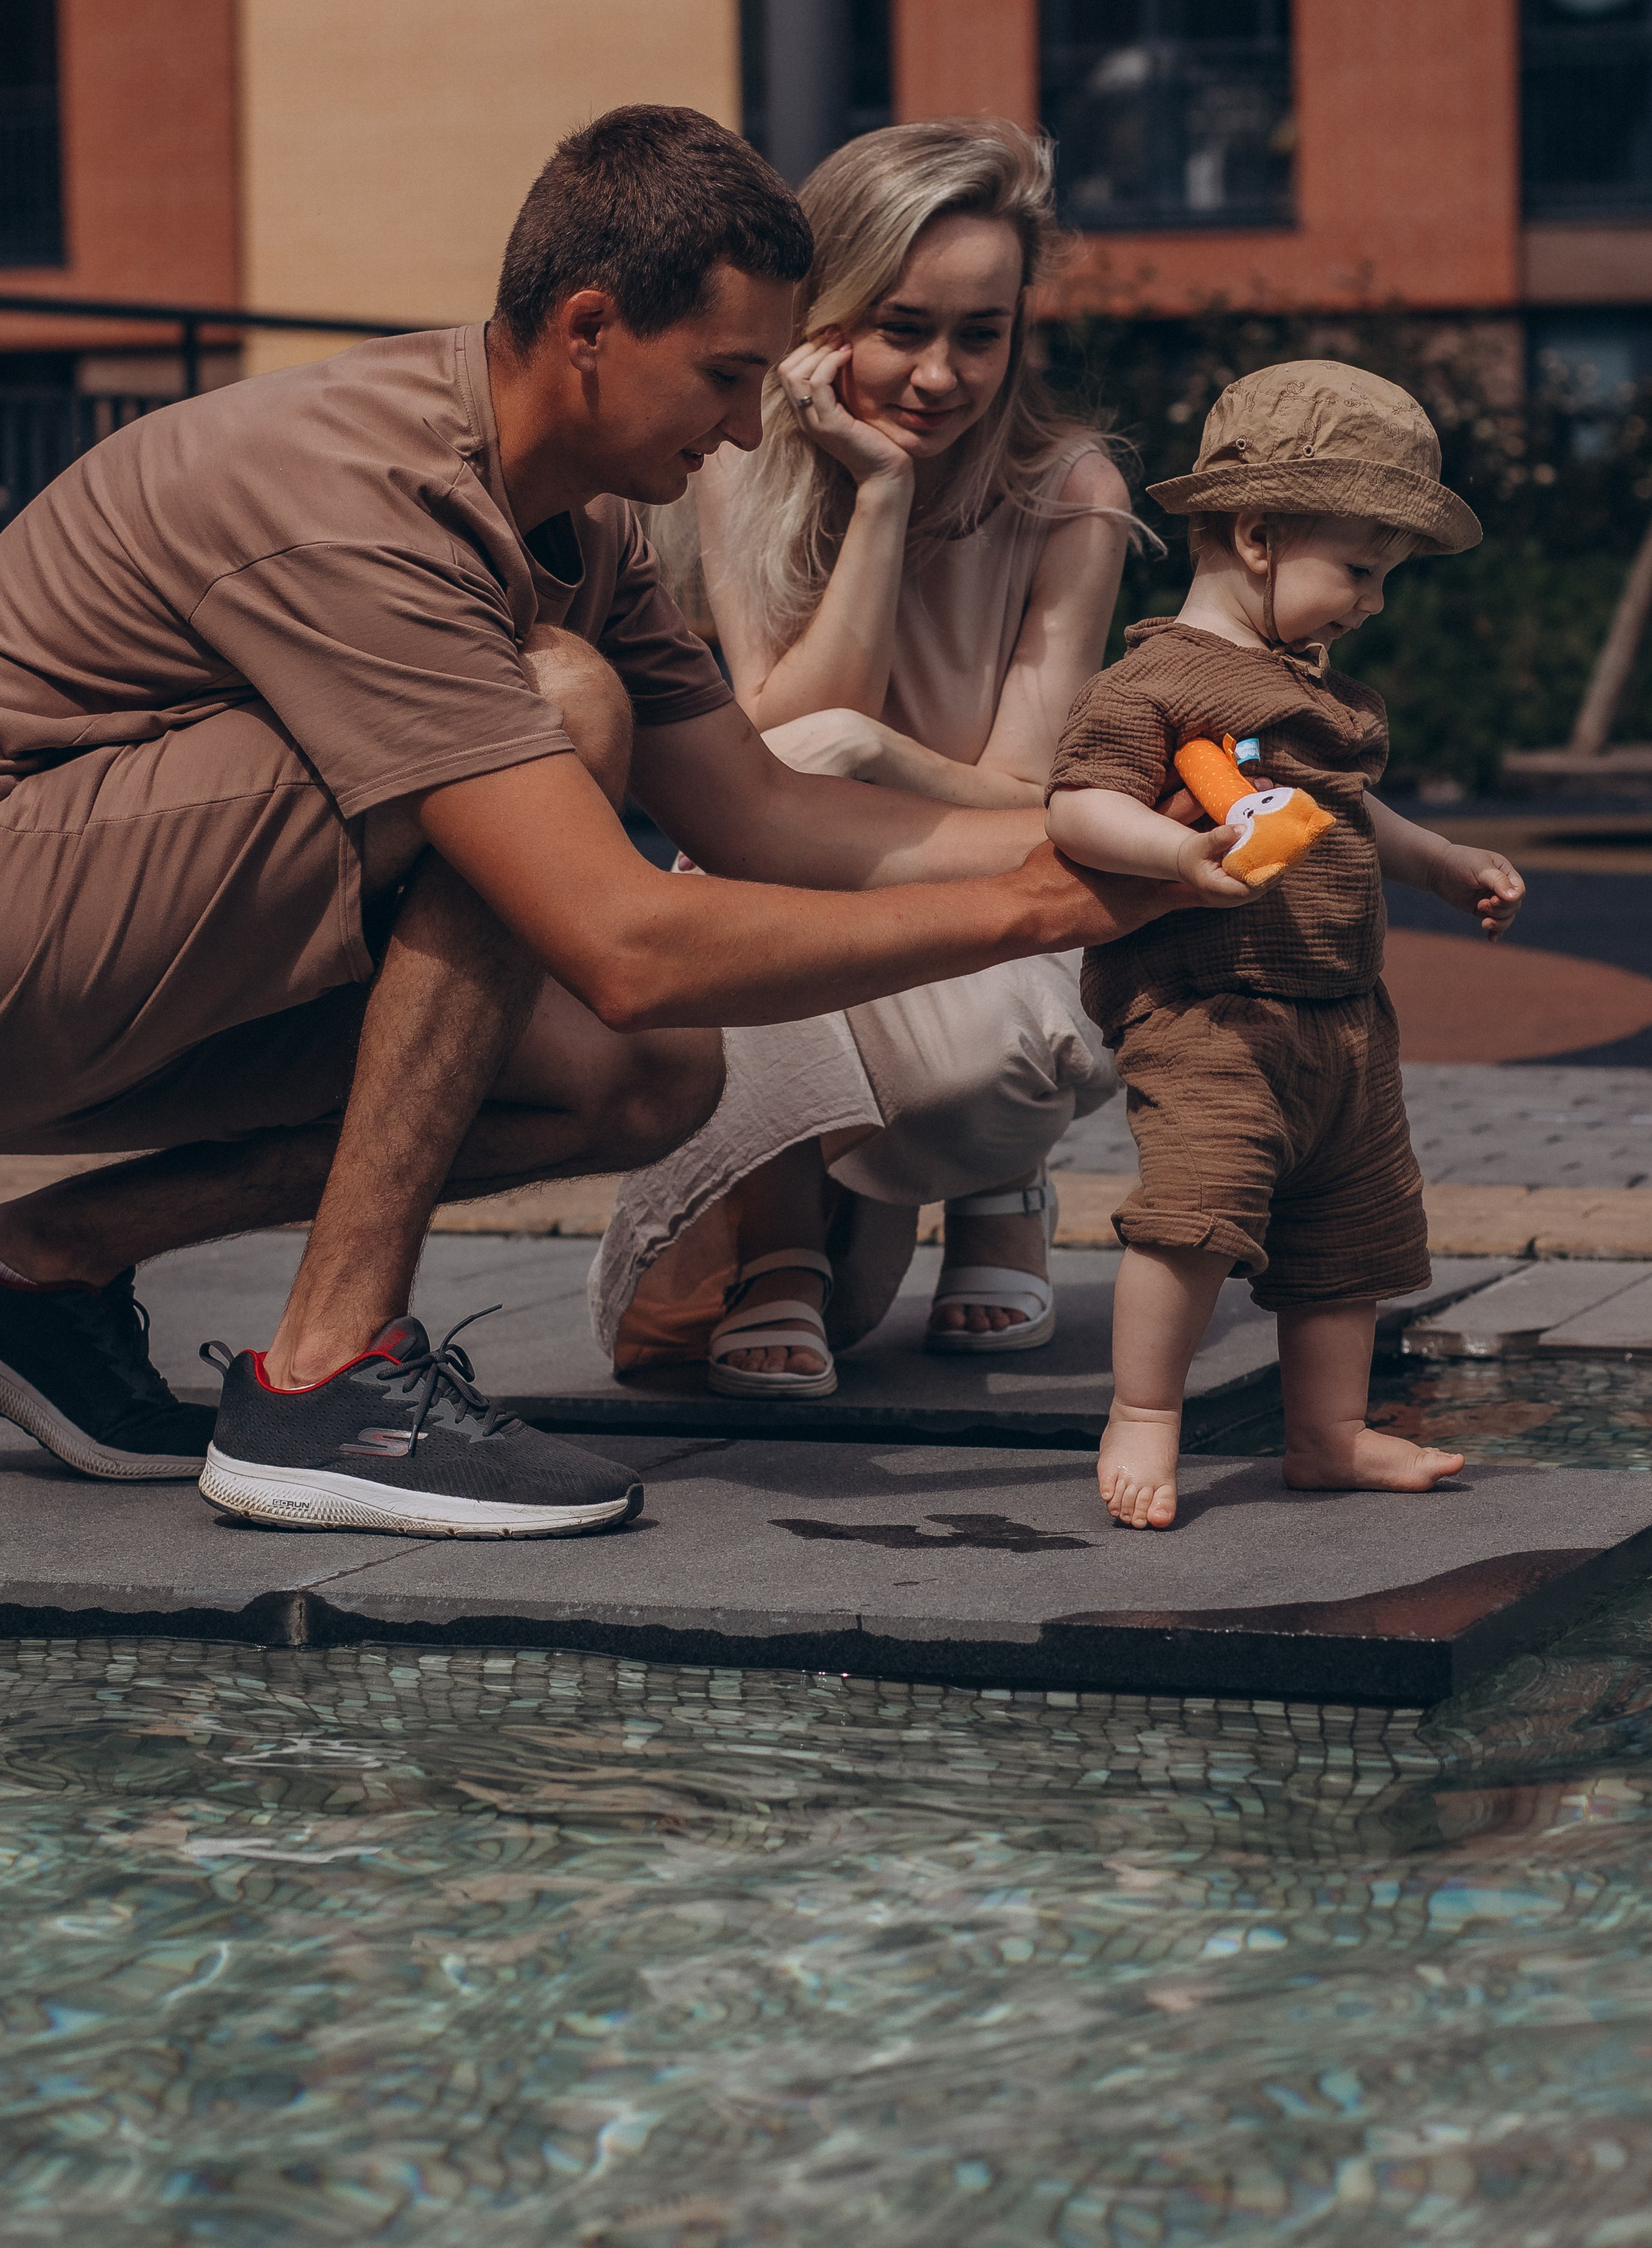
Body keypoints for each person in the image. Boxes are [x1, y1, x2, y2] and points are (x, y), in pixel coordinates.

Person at [0, 106, 1179, 1539]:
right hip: (28, 923)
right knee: (562, 703)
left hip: (109, 961)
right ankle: (325, 1379)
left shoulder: (592, 523)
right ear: (589, 328)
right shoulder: (367, 493)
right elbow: (624, 944)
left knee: (644, 1079)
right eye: (725, 377)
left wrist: (1126, 838)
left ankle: (48, 1263)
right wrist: (1044, 911)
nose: (747, 427)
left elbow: (764, 814)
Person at [596, 120, 1144, 1396]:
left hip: (991, 894)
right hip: (800, 872)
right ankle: (785, 1233)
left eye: (980, 334)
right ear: (827, 319)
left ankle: (1002, 1185)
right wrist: (881, 498)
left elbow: (1032, 799)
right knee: (748, 861)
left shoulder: (1073, 494)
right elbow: (781, 750)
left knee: (976, 1062)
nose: (942, 376)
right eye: (903, 328)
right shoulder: (747, 460)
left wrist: (873, 750)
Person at [1043, 359, 1527, 1530]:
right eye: (1359, 570)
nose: (1374, 601)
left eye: (1385, 577)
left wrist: (1441, 862)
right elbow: (1078, 807)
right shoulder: (1157, 680)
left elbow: (1350, 814)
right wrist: (1178, 855)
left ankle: (1326, 1434)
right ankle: (1143, 1414)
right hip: (1210, 1009)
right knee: (1196, 1211)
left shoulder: (1316, 695)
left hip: (1343, 1016)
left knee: (1351, 1236)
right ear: (1257, 536)